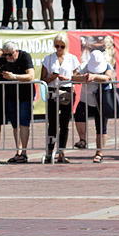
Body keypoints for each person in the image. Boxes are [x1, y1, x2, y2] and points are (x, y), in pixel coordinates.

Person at [0, 40, 36, 163]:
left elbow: (31, 76)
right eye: (5, 55)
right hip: (11, 95)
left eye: (10, 54)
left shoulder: (25, 56)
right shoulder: (2, 60)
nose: (7, 57)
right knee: (15, 124)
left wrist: (14, 77)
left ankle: (25, 152)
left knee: (23, 122)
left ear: (16, 52)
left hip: (25, 95)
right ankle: (18, 151)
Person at [41, 34, 79, 163]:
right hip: (52, 90)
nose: (59, 49)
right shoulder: (48, 59)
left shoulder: (72, 59)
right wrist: (51, 78)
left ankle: (61, 151)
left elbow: (76, 77)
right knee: (52, 123)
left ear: (66, 46)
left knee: (64, 123)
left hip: (67, 90)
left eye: (62, 46)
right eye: (57, 46)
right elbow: (42, 78)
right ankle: (49, 151)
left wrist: (66, 79)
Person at [72, 49, 115, 163]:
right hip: (86, 98)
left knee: (101, 126)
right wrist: (84, 78)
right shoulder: (84, 66)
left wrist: (94, 76)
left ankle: (99, 152)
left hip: (102, 100)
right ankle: (82, 139)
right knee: (79, 116)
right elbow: (73, 76)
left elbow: (108, 77)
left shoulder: (108, 66)